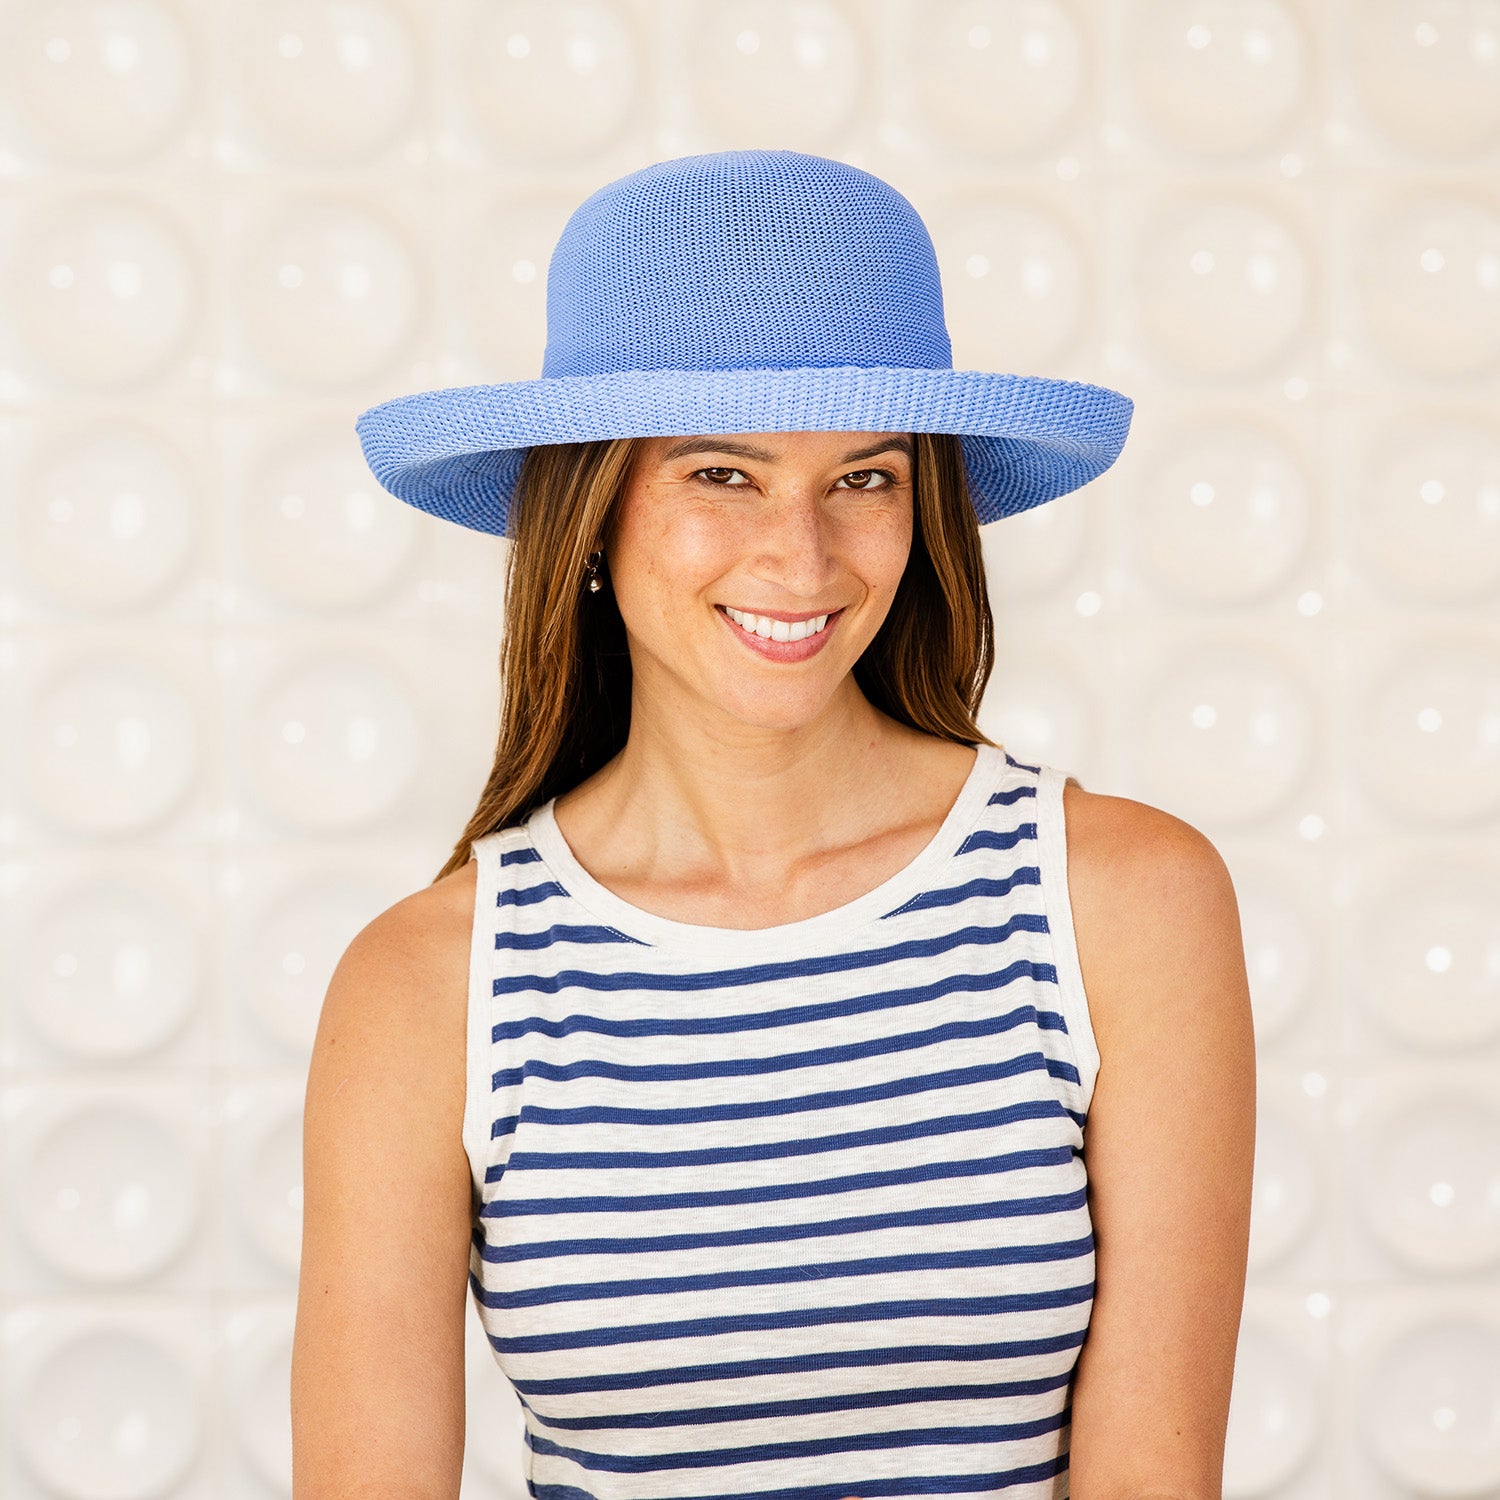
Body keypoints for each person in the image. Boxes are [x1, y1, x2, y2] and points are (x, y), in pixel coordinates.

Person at [292, 149, 1256, 1500]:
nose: (801, 559)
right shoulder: (427, 989)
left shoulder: (1121, 904)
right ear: (590, 507)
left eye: (863, 478)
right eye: (723, 476)